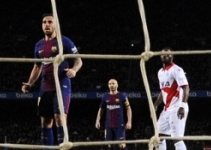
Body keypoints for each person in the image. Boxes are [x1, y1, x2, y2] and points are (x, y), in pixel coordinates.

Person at [21, 14, 82, 146]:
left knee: (60, 119)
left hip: (61, 85)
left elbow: (78, 60)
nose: (47, 24)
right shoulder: (38, 45)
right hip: (45, 87)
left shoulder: (64, 41)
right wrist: (30, 83)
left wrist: (74, 70)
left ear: (55, 25)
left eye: (50, 22)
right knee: (45, 122)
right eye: (44, 22)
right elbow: (37, 66)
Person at [154, 49, 189, 150]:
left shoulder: (177, 70)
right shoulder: (160, 72)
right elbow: (163, 91)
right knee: (158, 135)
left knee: (176, 138)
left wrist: (182, 106)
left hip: (177, 106)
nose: (166, 56)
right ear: (160, 56)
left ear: (172, 56)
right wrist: (155, 104)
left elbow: (186, 87)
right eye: (163, 54)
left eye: (168, 54)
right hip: (167, 108)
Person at [95, 78, 131, 149]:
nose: (111, 85)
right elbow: (101, 109)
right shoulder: (105, 96)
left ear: (117, 85)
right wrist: (97, 120)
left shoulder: (122, 96)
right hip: (108, 125)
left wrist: (129, 121)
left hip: (119, 124)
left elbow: (128, 108)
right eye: (110, 84)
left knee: (122, 145)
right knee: (109, 145)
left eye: (113, 83)